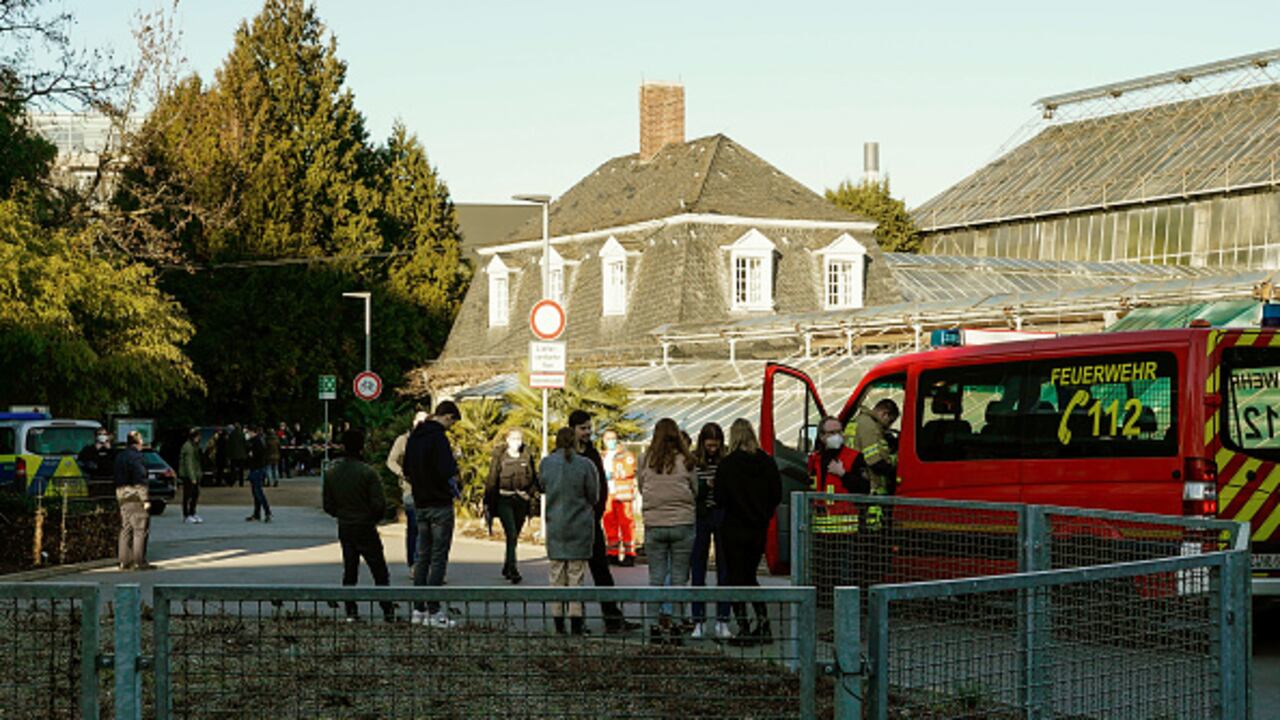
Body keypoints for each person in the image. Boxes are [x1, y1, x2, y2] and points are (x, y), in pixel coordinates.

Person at [570, 409, 640, 634]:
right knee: (573, 574)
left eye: (589, 428)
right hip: (572, 523)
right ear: (572, 429)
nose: (587, 432)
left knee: (602, 572)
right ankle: (574, 621)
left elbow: (600, 485)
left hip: (591, 521)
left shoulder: (591, 454)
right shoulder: (565, 455)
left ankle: (612, 618)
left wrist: (596, 511)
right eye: (583, 428)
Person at [715, 418, 781, 646]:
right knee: (751, 577)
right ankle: (763, 623)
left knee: (736, 579)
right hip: (758, 528)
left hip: (733, 527)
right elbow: (777, 495)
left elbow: (720, 498)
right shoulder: (767, 462)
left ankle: (743, 627)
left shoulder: (728, 465)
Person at [323, 429, 396, 622]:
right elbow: (379, 503)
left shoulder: (331, 474)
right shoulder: (368, 473)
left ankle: (351, 610)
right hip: (365, 525)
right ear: (362, 447)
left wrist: (342, 514)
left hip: (345, 525)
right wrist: (373, 518)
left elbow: (328, 505)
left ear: (342, 447)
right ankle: (387, 609)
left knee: (350, 568)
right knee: (378, 569)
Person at [637, 417, 697, 645]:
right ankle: (677, 625)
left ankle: (653, 625)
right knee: (680, 578)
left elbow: (642, 487)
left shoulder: (645, 460)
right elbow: (695, 489)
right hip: (683, 524)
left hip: (654, 523)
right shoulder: (687, 461)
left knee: (656, 577)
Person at [405, 401, 463, 628]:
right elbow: (446, 470)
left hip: (420, 503)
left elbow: (407, 469)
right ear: (447, 417)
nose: (451, 427)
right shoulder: (439, 438)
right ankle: (434, 610)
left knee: (422, 556)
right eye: (452, 422)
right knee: (438, 557)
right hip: (440, 504)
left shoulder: (415, 436)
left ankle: (418, 609)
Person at [540, 426, 599, 635]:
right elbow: (594, 496)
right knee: (576, 575)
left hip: (555, 524)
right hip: (580, 526)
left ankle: (558, 622)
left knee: (556, 575)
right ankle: (576, 622)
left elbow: (541, 486)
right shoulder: (586, 465)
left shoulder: (547, 463)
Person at [689, 422, 732, 640]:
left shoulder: (727, 459)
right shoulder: (694, 461)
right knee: (698, 568)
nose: (712, 450)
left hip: (722, 515)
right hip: (701, 515)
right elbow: (690, 489)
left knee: (724, 569)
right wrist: (706, 488)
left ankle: (723, 620)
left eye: (716, 446)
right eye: (709, 446)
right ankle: (699, 620)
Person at [486, 428, 538, 584]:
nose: (517, 442)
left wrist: (530, 494)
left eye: (519, 438)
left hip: (521, 500)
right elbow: (492, 479)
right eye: (514, 438)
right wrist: (488, 503)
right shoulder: (499, 457)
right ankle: (513, 569)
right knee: (511, 533)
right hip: (504, 499)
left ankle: (507, 565)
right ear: (507, 440)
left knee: (514, 535)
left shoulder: (526, 456)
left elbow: (533, 477)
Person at [386, 411, 429, 572]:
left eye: (425, 421)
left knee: (426, 528)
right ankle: (414, 562)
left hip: (428, 490)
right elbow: (391, 461)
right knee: (414, 526)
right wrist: (402, 473)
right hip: (410, 489)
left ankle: (425, 563)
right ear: (413, 422)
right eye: (419, 421)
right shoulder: (403, 440)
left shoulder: (431, 441)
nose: (421, 424)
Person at [114, 431, 153, 570]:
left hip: (122, 495)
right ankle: (139, 561)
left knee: (126, 528)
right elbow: (140, 478)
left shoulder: (120, 456)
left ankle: (124, 561)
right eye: (141, 439)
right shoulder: (136, 457)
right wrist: (145, 499)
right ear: (138, 441)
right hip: (135, 496)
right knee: (140, 529)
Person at [600, 428, 637, 566]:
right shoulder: (603, 456)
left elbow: (630, 470)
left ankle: (629, 554)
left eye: (612, 438)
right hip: (608, 494)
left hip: (623, 495)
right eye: (607, 439)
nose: (610, 441)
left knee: (626, 524)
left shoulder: (625, 455)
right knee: (609, 523)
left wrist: (613, 474)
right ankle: (612, 553)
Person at [852, 399, 900, 496]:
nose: (888, 426)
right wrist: (894, 472)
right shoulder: (870, 427)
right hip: (870, 487)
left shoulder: (859, 421)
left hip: (857, 479)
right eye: (890, 422)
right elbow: (875, 461)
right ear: (884, 414)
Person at [809, 416, 861, 494]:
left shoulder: (855, 457)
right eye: (832, 433)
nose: (837, 436)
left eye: (839, 432)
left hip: (845, 506)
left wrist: (843, 474)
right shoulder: (815, 459)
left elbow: (864, 488)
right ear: (821, 436)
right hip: (819, 505)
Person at [77, 426, 116, 497]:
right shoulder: (88, 449)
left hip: (110, 480)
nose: (102, 436)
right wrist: (95, 449)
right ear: (95, 437)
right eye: (100, 434)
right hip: (94, 480)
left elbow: (117, 460)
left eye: (104, 434)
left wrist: (110, 449)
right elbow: (82, 462)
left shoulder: (113, 450)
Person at [245, 426, 273, 523]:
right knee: (255, 493)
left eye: (248, 432)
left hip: (257, 469)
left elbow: (255, 455)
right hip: (256, 469)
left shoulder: (256, 442)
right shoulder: (257, 441)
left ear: (253, 432)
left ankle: (267, 512)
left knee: (258, 492)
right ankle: (257, 513)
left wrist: (250, 455)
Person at [178, 428, 204, 524]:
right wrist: (192, 477)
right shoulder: (188, 447)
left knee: (195, 494)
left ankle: (192, 513)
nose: (199, 438)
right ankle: (186, 515)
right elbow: (189, 463)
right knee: (188, 495)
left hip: (194, 474)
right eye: (198, 437)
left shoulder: (194, 446)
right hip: (188, 475)